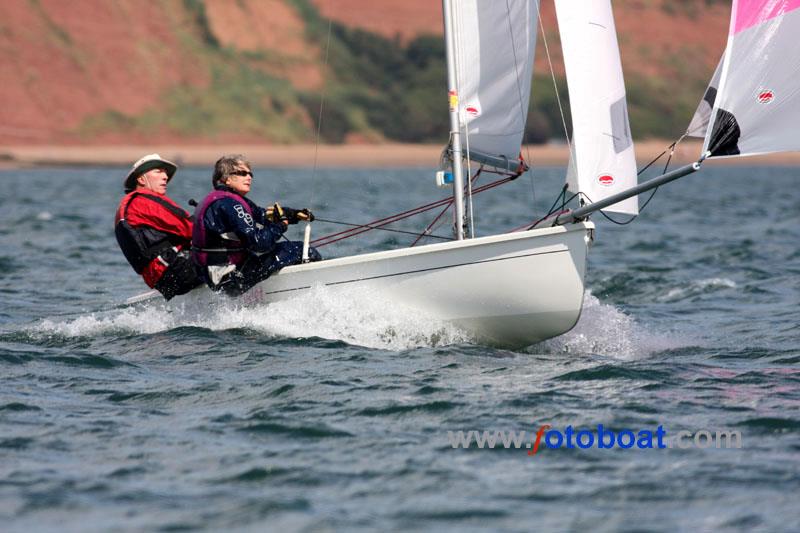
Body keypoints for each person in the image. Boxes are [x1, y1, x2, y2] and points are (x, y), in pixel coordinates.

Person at [192, 154, 321, 295]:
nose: (249, 177)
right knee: (303, 250)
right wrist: (280, 226)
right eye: (242, 173)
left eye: (250, 174)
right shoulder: (230, 204)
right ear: (227, 179)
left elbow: (262, 215)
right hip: (231, 278)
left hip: (216, 275)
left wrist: (293, 214)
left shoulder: (220, 199)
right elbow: (259, 243)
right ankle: (314, 292)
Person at [114, 153, 202, 300]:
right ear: (141, 179)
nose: (165, 177)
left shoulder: (131, 204)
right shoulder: (144, 201)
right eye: (158, 171)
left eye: (165, 173)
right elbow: (192, 229)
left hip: (161, 280)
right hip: (178, 271)